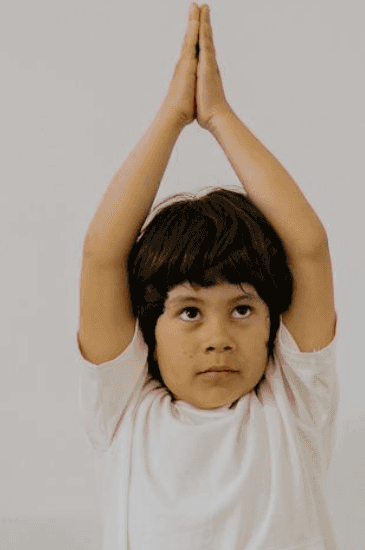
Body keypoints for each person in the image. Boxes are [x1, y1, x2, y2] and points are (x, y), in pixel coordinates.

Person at [77, 5, 340, 549]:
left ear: (272, 323)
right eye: (190, 312)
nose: (218, 337)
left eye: (242, 310)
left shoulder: (291, 408)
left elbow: (309, 248)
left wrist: (219, 116)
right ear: (150, 328)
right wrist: (172, 117)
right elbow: (103, 255)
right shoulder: (125, 412)